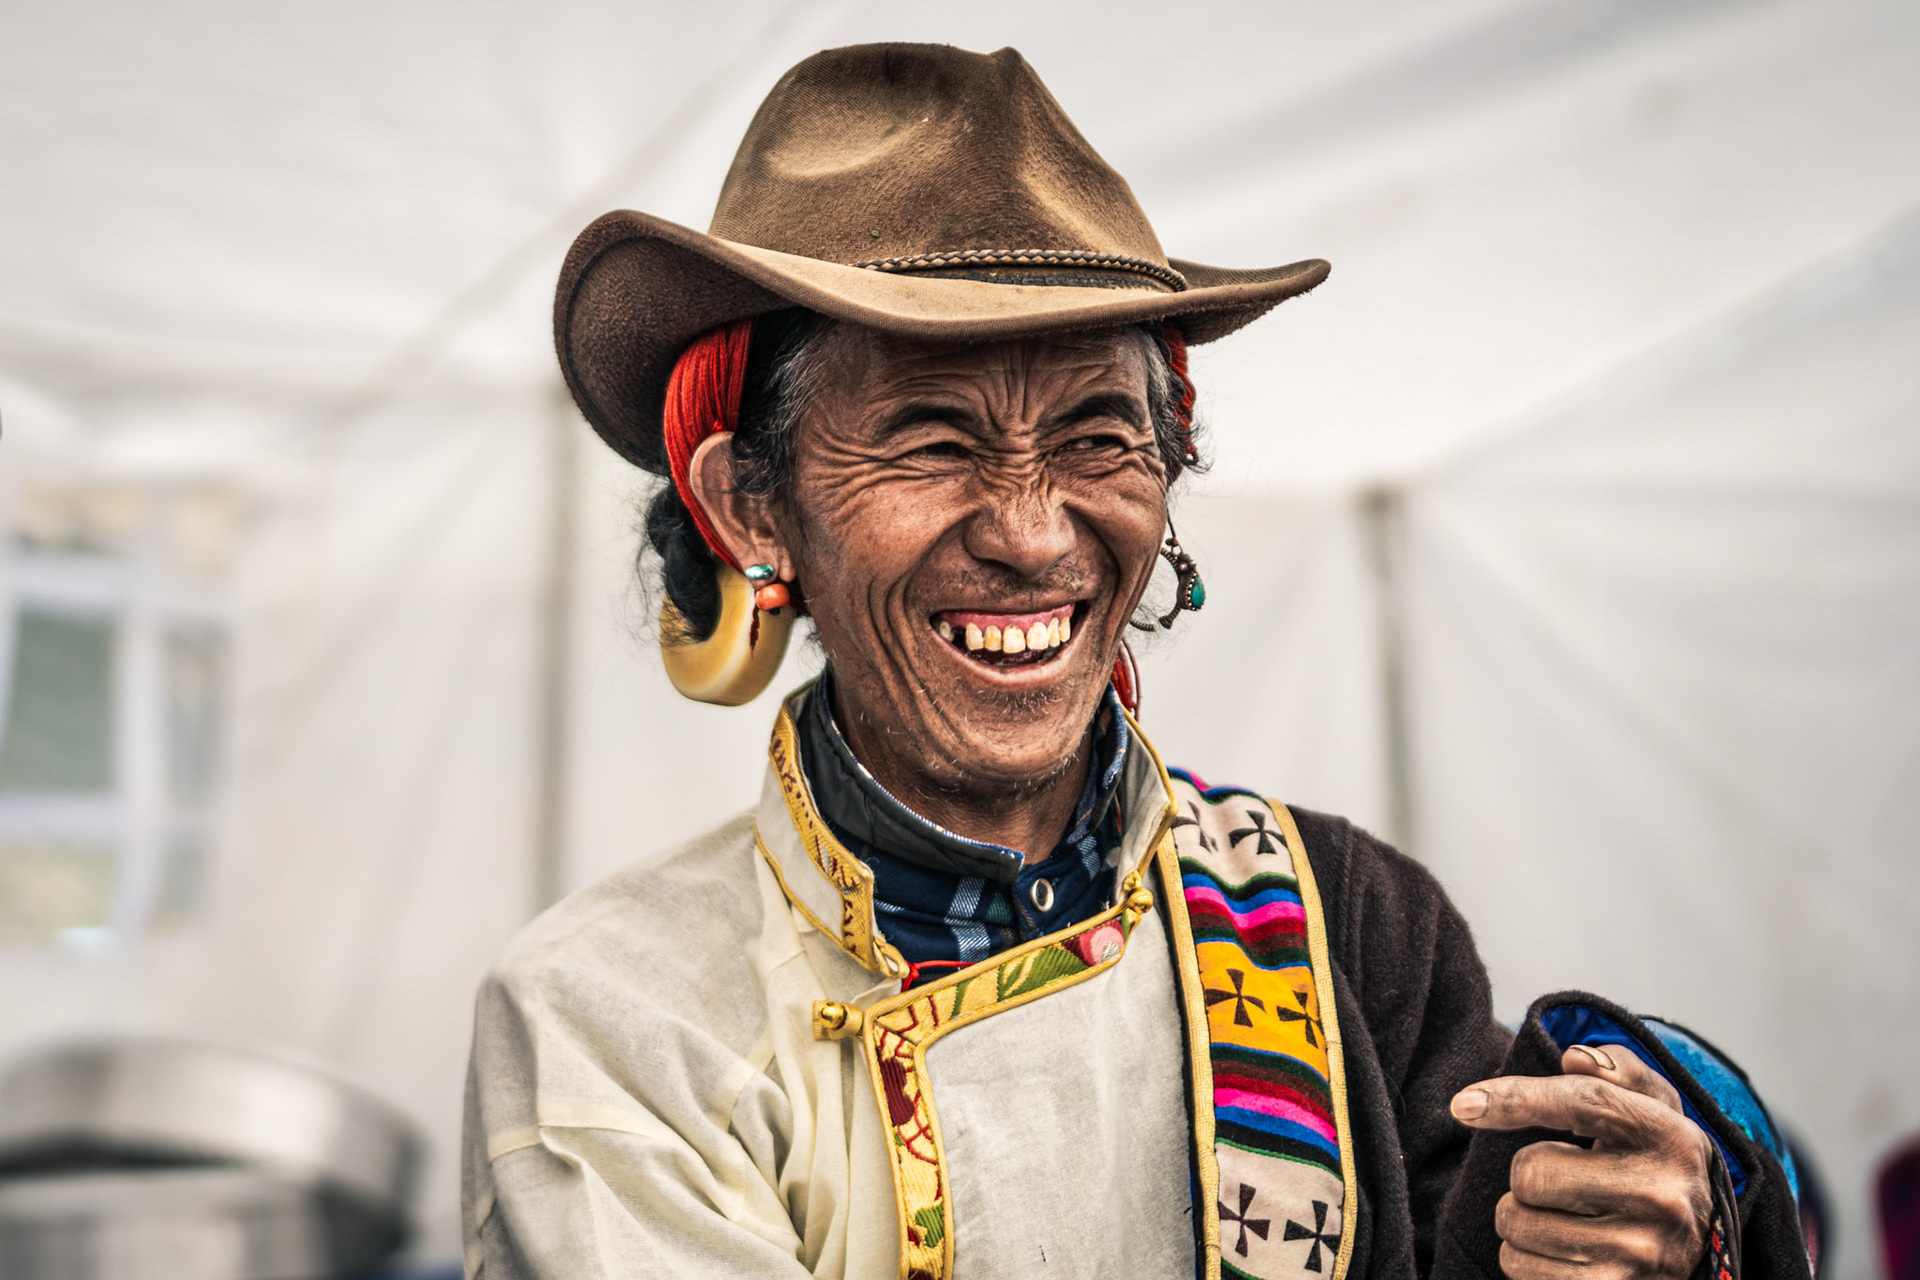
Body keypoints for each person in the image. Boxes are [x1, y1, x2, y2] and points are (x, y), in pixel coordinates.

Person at [462, 43, 1810, 1280]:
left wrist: (1639, 1234)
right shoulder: (618, 1018)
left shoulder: (1349, 926)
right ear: (754, 507)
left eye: (1100, 436)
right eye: (932, 440)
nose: (1034, 533)